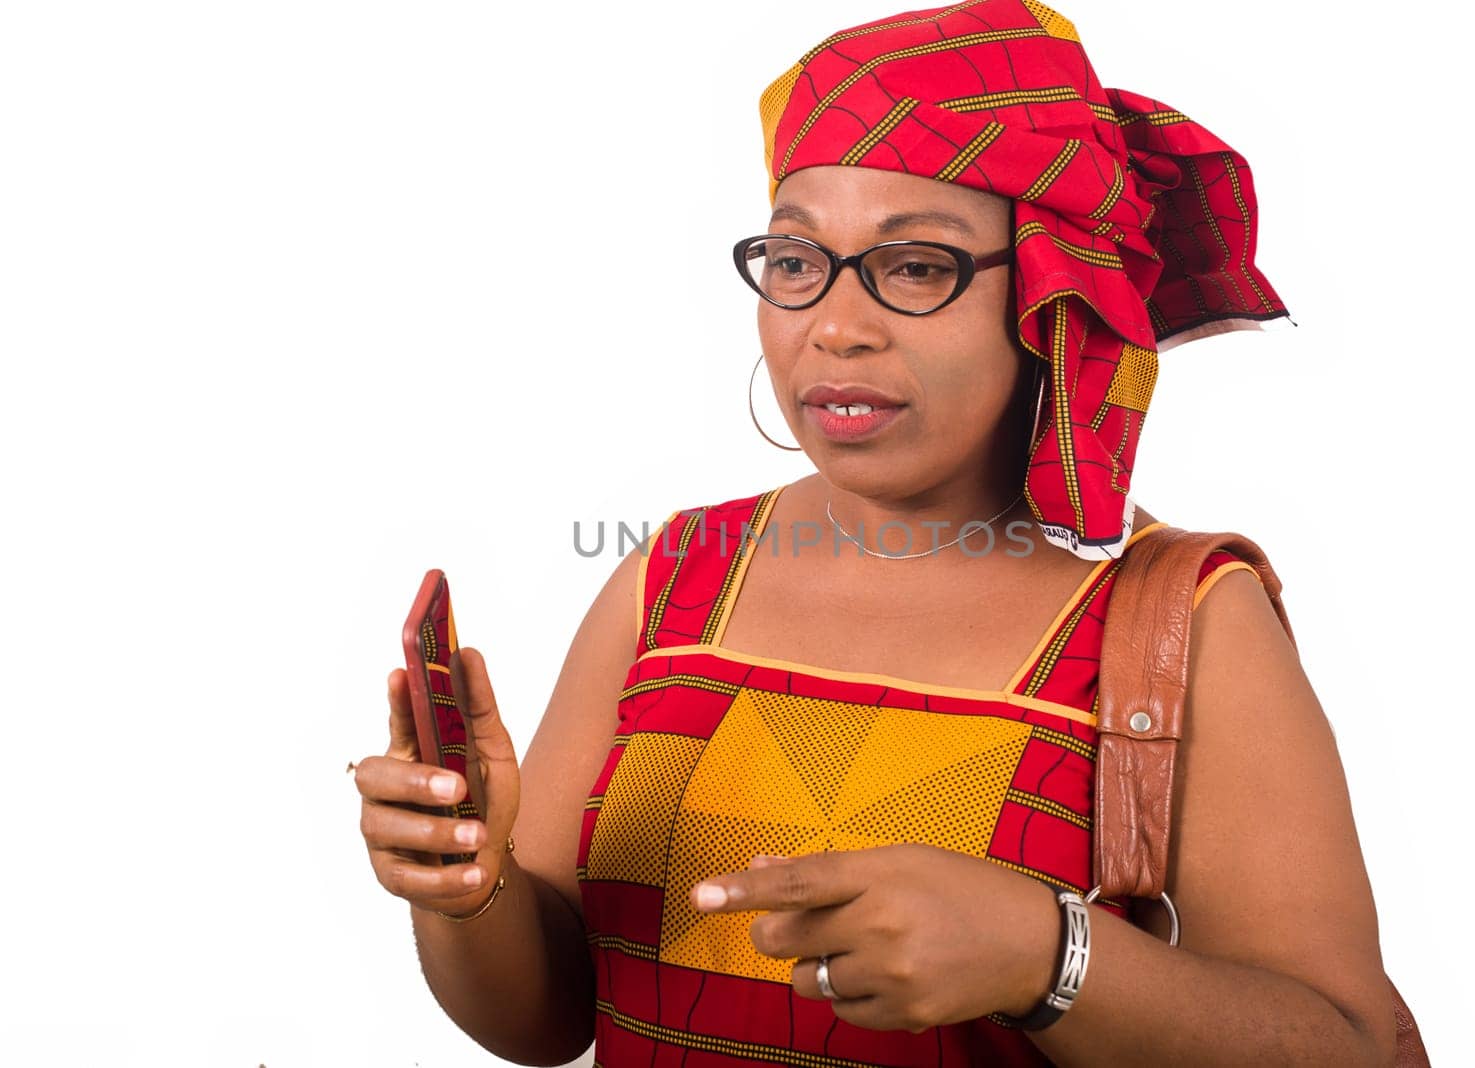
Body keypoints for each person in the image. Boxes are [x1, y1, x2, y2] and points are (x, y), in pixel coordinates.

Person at [354, 2, 1399, 1064]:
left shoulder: (1185, 619)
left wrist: (1049, 957)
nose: (836, 325)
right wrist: (465, 889)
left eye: (914, 266)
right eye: (798, 259)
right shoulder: (668, 580)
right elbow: (545, 1021)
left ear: (1046, 295)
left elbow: (1355, 1048)